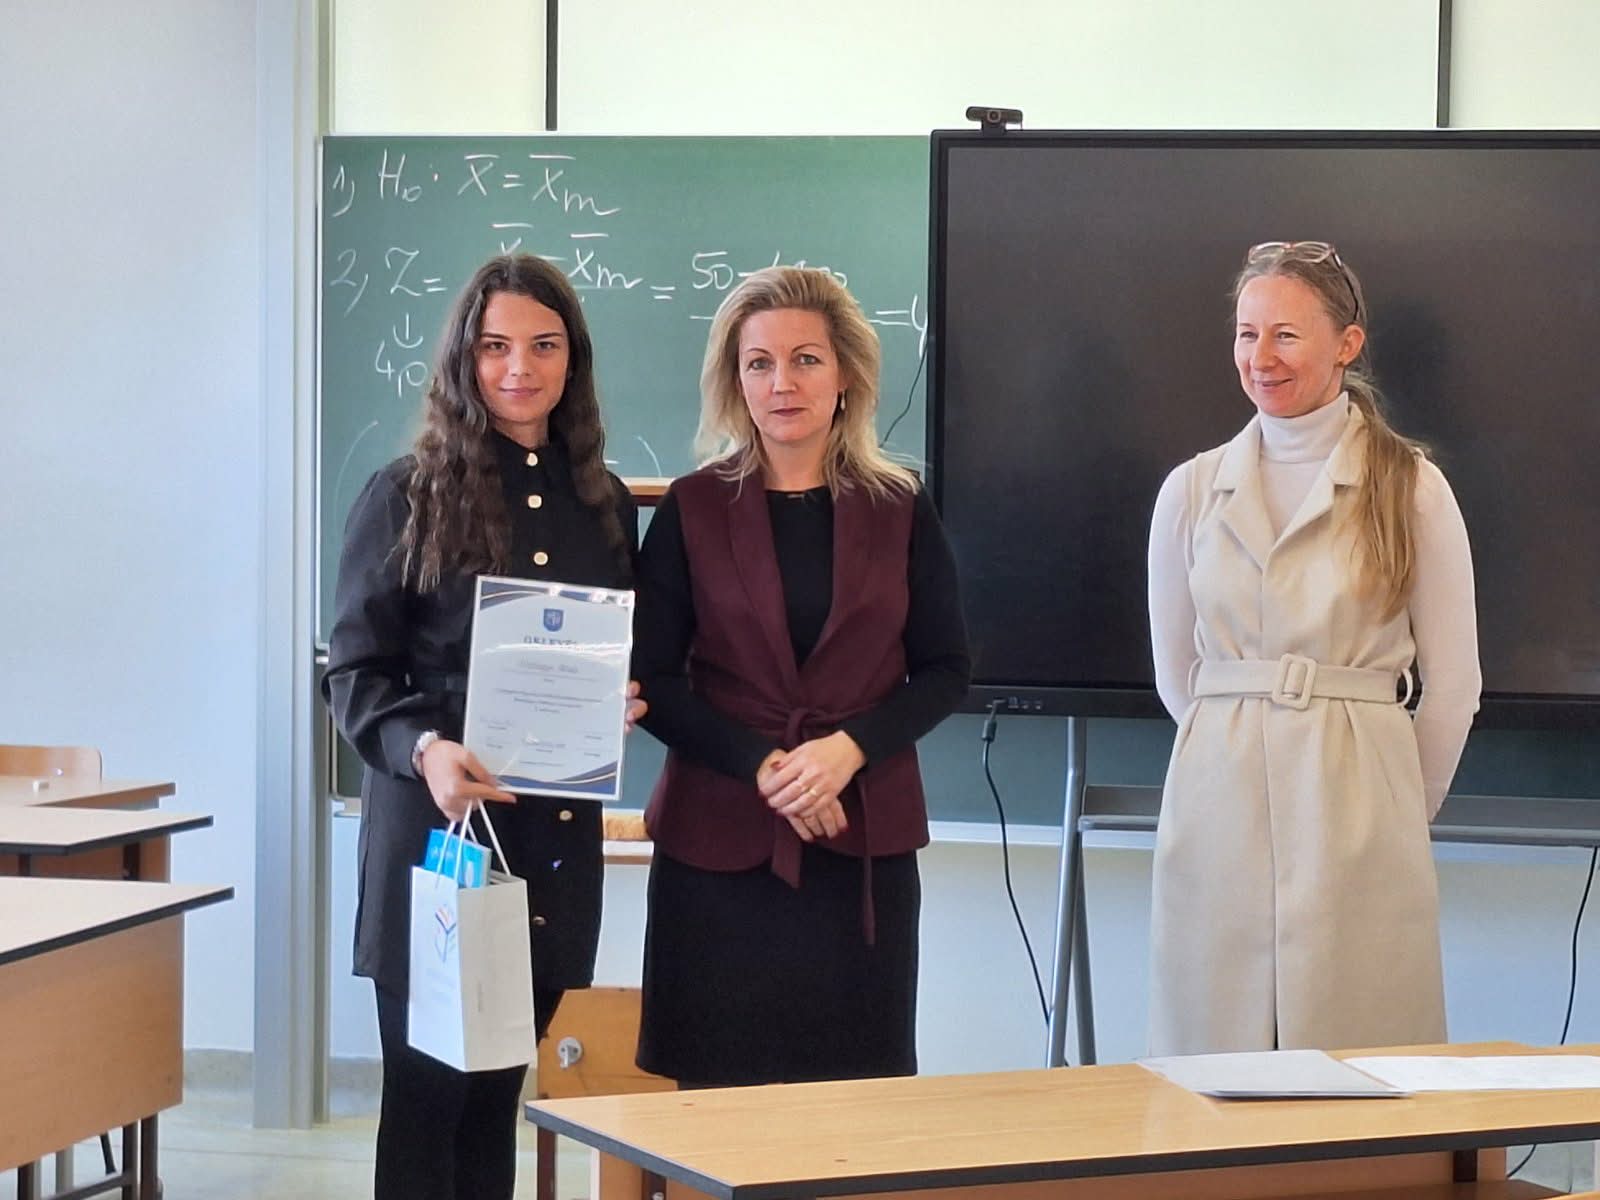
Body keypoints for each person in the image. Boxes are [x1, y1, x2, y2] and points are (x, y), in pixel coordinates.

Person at [323, 254, 640, 1199]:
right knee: (428, 1105)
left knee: (497, 1098)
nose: (519, 368)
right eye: (495, 346)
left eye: (544, 346)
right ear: (464, 359)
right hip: (436, 842)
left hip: (552, 849)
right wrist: (424, 748)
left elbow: (616, 654)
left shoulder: (605, 503)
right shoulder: (404, 493)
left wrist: (617, 703)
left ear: (573, 360)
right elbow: (353, 673)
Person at [631, 266, 970, 1086]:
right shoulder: (691, 507)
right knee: (715, 1109)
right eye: (760, 363)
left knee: (850, 1108)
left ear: (845, 373)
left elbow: (946, 669)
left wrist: (847, 750)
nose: (782, 383)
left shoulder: (901, 506)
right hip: (717, 852)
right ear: (736, 381)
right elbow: (653, 682)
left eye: (805, 360)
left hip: (859, 843)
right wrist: (766, 766)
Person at [1146, 241, 1482, 1056]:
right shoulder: (1191, 489)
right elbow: (1177, 676)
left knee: (1362, 1051)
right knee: (1215, 1048)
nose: (1260, 357)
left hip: (1359, 793)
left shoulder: (1411, 488)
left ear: (1347, 344)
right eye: (1246, 333)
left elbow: (1455, 686)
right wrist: (1237, 749)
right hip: (1218, 796)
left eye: (1286, 335)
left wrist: (1394, 803)